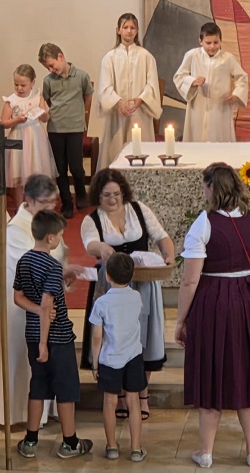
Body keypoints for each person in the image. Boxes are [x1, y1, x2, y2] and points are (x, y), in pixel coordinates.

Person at [174, 162, 250, 468]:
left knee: (211, 373)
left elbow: (191, 280)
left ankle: (206, 453)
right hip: (249, 302)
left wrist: (180, 321)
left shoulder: (203, 223)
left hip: (214, 302)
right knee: (249, 374)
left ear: (210, 189)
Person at [81, 168, 175, 419]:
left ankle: (142, 395)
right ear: (98, 196)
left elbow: (161, 236)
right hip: (111, 286)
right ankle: (119, 394)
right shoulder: (92, 219)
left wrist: (169, 255)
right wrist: (101, 246)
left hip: (144, 283)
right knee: (115, 338)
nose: (112, 200)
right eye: (106, 196)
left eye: (116, 194)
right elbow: (90, 244)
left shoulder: (139, 209)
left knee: (144, 337)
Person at [0, 175, 76, 426]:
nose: (50, 207)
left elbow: (59, 255)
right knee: (24, 361)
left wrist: (65, 275)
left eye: (53, 202)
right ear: (29, 199)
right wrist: (58, 273)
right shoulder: (16, 230)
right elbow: (27, 269)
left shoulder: (47, 223)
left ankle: (43, 412)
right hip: (21, 308)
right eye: (45, 202)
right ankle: (18, 415)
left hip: (47, 305)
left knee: (44, 362)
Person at [14, 210, 92, 460]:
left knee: (38, 386)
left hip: (31, 334)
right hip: (55, 337)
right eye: (59, 235)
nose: (60, 238)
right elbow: (48, 304)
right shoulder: (51, 265)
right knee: (65, 389)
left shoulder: (24, 260)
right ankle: (70, 443)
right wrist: (45, 344)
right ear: (50, 238)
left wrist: (38, 310)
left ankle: (30, 441)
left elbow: (18, 297)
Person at [89, 253, 147, 462]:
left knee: (109, 402)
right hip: (133, 355)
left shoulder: (102, 303)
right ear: (131, 276)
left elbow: (97, 336)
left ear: (108, 276)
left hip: (110, 357)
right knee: (133, 402)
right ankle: (136, 449)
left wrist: (95, 363)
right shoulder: (136, 297)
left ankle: (112, 447)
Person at [97, 13, 163, 170]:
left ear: (137, 30)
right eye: (125, 27)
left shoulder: (146, 56)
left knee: (141, 152)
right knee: (116, 152)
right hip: (117, 114)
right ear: (118, 30)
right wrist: (118, 102)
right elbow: (104, 87)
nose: (129, 31)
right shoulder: (110, 57)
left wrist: (140, 100)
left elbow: (152, 85)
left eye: (132, 27)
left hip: (139, 112)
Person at [39, 43, 94, 219]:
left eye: (52, 64)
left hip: (76, 127)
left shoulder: (82, 76)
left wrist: (81, 114)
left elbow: (88, 96)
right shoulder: (48, 81)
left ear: (61, 57)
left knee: (76, 166)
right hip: (56, 129)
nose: (51, 69)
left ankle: (80, 194)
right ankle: (66, 202)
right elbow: (47, 101)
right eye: (47, 67)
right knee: (60, 168)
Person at [173, 22, 249, 142]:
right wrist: (192, 81)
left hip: (219, 108)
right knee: (196, 139)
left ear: (221, 41)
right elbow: (179, 76)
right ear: (200, 41)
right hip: (197, 107)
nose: (212, 46)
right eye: (208, 43)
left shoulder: (227, 58)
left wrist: (235, 95)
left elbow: (242, 77)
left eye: (216, 42)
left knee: (218, 140)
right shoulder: (193, 55)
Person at [1, 64, 55, 207]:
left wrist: (44, 113)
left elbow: (45, 118)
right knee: (19, 172)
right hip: (18, 136)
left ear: (32, 82)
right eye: (16, 84)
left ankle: (38, 203)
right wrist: (17, 120)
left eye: (23, 85)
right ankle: (20, 204)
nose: (19, 88)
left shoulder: (38, 96)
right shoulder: (11, 100)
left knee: (37, 170)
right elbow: (4, 122)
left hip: (36, 137)